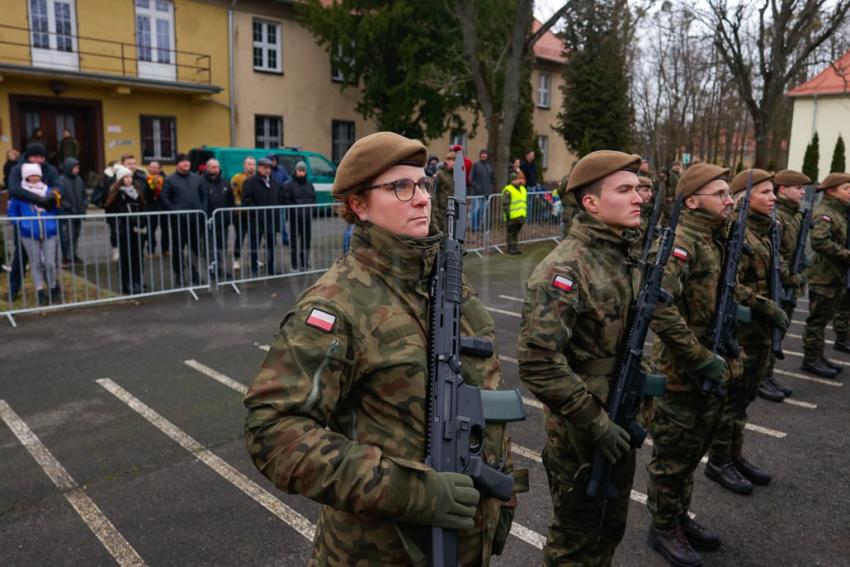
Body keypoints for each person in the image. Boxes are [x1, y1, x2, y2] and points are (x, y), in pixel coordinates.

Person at [243, 131, 518, 565]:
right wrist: (409, 491)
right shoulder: (337, 303)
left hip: (466, 540)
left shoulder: (443, 282)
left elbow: (479, 391)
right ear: (358, 204)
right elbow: (273, 432)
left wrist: (500, 497)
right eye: (400, 187)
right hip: (380, 551)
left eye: (423, 183)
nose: (423, 199)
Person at [518, 150, 643, 566]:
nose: (638, 196)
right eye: (624, 189)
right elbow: (538, 361)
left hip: (619, 415)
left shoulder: (622, 255)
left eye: (638, 188)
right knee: (574, 540)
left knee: (609, 528)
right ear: (591, 203)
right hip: (581, 430)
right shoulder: (565, 269)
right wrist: (597, 422)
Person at [644, 163, 741, 566]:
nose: (730, 199)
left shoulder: (714, 239)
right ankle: (663, 527)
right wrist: (701, 359)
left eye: (729, 193)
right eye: (720, 193)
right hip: (680, 374)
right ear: (692, 200)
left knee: (692, 453)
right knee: (672, 458)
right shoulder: (680, 242)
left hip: (707, 366)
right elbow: (658, 309)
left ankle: (678, 516)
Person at [705, 169, 790, 499]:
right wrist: (764, 306)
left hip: (759, 332)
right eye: (766, 192)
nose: (773, 198)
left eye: (773, 192)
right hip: (741, 331)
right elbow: (730, 285)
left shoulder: (766, 231)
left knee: (744, 399)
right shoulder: (737, 233)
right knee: (731, 400)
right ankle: (720, 459)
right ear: (746, 197)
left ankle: (735, 455)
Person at [762, 169, 812, 400]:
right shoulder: (778, 217)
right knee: (768, 333)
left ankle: (768, 374)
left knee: (779, 331)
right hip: (778, 284)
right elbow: (776, 255)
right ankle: (762, 378)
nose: (802, 192)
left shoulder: (794, 215)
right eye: (798, 188)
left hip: (787, 283)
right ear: (782, 189)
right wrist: (790, 278)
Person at [802, 172, 850, 377]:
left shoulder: (839, 212)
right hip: (824, 276)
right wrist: (847, 255)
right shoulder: (825, 213)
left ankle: (818, 355)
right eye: (847, 189)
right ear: (832, 191)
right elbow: (819, 241)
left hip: (834, 275)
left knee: (824, 319)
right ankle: (811, 359)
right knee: (817, 321)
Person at [5, 143, 61, 300]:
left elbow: (57, 186)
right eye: (36, 157)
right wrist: (39, 200)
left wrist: (53, 195)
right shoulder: (18, 169)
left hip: (46, 221)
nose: (40, 160)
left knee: (50, 259)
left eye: (42, 157)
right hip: (26, 221)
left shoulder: (50, 169)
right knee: (21, 256)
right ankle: (13, 288)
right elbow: (14, 189)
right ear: (28, 156)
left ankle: (53, 288)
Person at [161, 153, 206, 286]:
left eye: (188, 161)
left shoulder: (197, 178)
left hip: (196, 219)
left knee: (196, 248)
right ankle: (179, 275)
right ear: (177, 164)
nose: (186, 163)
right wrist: (174, 211)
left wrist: (202, 208)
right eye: (183, 161)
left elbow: (203, 195)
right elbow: (164, 197)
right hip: (179, 221)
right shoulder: (170, 179)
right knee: (178, 249)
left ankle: (195, 274)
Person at [105, 166, 147, 294]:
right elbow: (113, 211)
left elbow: (144, 207)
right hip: (124, 230)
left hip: (138, 230)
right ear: (120, 179)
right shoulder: (117, 194)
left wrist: (142, 221)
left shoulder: (137, 191)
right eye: (125, 177)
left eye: (130, 177)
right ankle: (126, 284)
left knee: (138, 257)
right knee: (125, 258)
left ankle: (137, 281)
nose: (128, 180)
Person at [242, 157, 282, 276]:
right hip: (256, 220)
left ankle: (271, 268)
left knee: (270, 246)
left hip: (271, 220)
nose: (267, 170)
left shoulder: (274, 182)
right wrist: (258, 211)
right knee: (254, 245)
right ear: (259, 168)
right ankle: (254, 269)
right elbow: (246, 201)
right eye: (265, 168)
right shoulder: (250, 182)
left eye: (269, 168)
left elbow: (279, 198)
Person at [201, 158, 234, 279]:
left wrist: (229, 217)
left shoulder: (225, 182)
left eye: (217, 167)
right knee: (210, 247)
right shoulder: (201, 182)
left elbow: (231, 200)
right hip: (208, 222)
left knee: (222, 246)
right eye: (213, 167)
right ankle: (211, 269)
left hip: (223, 221)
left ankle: (220, 268)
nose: (216, 170)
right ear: (207, 168)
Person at [281, 161, 316, 271]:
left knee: (306, 241)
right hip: (294, 218)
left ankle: (304, 262)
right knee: (294, 242)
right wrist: (295, 210)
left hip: (306, 218)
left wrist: (312, 209)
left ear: (305, 172)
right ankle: (294, 263)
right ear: (295, 171)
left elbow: (313, 199)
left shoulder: (309, 185)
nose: (301, 173)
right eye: (299, 170)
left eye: (303, 170)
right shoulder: (289, 185)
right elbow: (287, 200)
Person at [57, 157, 87, 266]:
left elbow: (84, 194)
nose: (77, 170)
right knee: (67, 236)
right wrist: (68, 206)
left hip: (78, 212)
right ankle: (66, 256)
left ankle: (73, 254)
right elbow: (60, 197)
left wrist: (84, 205)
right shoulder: (61, 180)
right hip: (67, 213)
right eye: (75, 167)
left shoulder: (79, 180)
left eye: (78, 167)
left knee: (76, 235)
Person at [229, 156, 256, 272]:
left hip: (254, 213)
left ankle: (253, 259)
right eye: (249, 164)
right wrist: (243, 207)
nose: (251, 166)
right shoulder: (237, 178)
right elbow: (235, 196)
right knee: (240, 236)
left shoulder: (257, 178)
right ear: (244, 165)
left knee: (255, 237)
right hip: (240, 213)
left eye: (253, 164)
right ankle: (236, 259)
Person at [144, 161, 169, 256]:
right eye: (151, 167)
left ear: (160, 169)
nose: (152, 169)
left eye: (155, 167)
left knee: (165, 229)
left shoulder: (166, 179)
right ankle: (151, 250)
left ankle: (165, 249)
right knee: (150, 230)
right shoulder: (145, 178)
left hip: (163, 207)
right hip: (151, 207)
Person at [267, 154, 291, 246]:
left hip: (281, 200)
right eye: (272, 160)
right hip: (270, 200)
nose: (274, 161)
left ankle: (285, 239)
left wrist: (283, 185)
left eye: (275, 160)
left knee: (282, 221)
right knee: (271, 222)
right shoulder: (268, 171)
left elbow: (288, 179)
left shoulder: (282, 169)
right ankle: (272, 240)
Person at [502, 170, 527, 255]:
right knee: (511, 233)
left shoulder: (523, 189)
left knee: (516, 233)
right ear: (512, 181)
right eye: (516, 179)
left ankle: (515, 247)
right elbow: (505, 203)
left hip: (521, 215)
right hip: (512, 216)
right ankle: (510, 248)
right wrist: (508, 215)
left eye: (518, 179)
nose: (518, 181)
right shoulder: (508, 190)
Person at [431, 151, 455, 235]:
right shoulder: (439, 174)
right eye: (450, 160)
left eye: (454, 160)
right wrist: (435, 210)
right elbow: (433, 192)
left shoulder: (457, 174)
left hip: (454, 207)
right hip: (442, 208)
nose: (452, 162)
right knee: (443, 232)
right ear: (446, 161)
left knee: (453, 232)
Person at [470, 149, 493, 232]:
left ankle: (478, 227)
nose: (484, 155)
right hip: (476, 193)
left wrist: (490, 190)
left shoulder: (489, 166)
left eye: (485, 154)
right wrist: (477, 188)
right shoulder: (476, 164)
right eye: (482, 154)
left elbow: (491, 179)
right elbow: (471, 179)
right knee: (475, 210)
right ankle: (474, 227)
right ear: (480, 155)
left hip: (486, 194)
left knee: (482, 211)